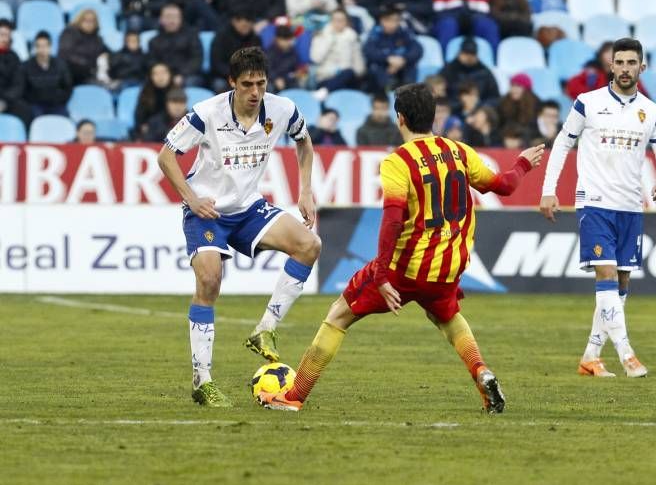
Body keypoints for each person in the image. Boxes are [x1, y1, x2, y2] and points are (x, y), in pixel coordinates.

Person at [256, 82, 545, 412]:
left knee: (338, 315)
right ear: (434, 117)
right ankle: (482, 372)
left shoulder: (398, 162)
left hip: (405, 268)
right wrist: (522, 163)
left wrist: (381, 275)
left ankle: (293, 398)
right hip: (447, 267)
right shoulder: (459, 151)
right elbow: (504, 185)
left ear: (400, 118)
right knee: (448, 319)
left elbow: (392, 221)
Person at [157, 46, 320, 407]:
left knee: (309, 245)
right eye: (247, 84)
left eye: (261, 84)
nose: (255, 92)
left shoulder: (282, 109)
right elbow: (166, 156)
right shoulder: (206, 113)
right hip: (207, 212)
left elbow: (304, 142)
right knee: (210, 280)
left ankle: (265, 331)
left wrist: (306, 189)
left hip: (248, 209)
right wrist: (191, 198)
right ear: (232, 83)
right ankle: (203, 380)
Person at [539, 38, 656, 379]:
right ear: (610, 66)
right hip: (595, 202)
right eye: (620, 62)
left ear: (642, 67)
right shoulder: (588, 103)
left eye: (632, 63)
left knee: (621, 284)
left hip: (630, 205)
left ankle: (590, 357)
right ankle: (627, 355)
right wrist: (548, 190)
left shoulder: (651, 111)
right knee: (607, 276)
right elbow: (561, 145)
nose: (625, 68)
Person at [11, 30, 73, 121]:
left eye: (44, 46)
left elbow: (68, 87)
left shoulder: (60, 65)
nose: (41, 49)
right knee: (34, 119)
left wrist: (57, 98)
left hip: (56, 104)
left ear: (50, 47)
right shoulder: (25, 66)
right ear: (34, 48)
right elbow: (21, 89)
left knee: (64, 120)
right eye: (38, 46)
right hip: (35, 105)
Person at [363, 5, 422, 92]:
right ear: (382, 21)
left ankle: (409, 93)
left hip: (402, 65)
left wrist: (403, 59)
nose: (392, 24)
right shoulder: (375, 33)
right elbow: (369, 51)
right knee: (375, 67)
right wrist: (388, 59)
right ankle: (387, 91)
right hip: (383, 68)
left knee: (411, 66)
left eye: (396, 20)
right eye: (388, 20)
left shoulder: (404, 32)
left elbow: (417, 49)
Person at [310, 8, 365, 99]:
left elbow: (358, 62)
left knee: (349, 72)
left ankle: (325, 91)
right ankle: (325, 90)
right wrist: (329, 40)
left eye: (341, 20)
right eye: (336, 20)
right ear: (331, 21)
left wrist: (359, 73)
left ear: (346, 22)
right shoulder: (321, 35)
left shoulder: (352, 37)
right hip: (325, 77)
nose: (338, 23)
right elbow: (316, 58)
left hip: (347, 77)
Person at [147, 4, 204, 88]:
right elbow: (152, 62)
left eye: (175, 17)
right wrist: (163, 75)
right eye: (168, 17)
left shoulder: (192, 37)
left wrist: (182, 75)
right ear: (161, 19)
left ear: (181, 19)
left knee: (190, 82)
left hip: (187, 75)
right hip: (163, 76)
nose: (171, 20)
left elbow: (196, 59)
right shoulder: (154, 41)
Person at [210, 9, 261, 93]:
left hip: (249, 76)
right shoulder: (221, 37)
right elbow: (216, 64)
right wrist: (236, 74)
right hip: (225, 77)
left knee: (265, 85)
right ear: (234, 22)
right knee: (219, 85)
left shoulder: (255, 38)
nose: (246, 28)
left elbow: (259, 61)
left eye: (249, 25)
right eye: (244, 26)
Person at [440, 37, 499, 107]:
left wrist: (479, 106)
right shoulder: (448, 70)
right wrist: (460, 105)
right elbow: (440, 94)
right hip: (453, 110)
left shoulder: (484, 72)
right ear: (459, 53)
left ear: (476, 55)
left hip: (479, 111)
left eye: (472, 54)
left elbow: (495, 97)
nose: (469, 57)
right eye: (466, 53)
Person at [57, 8, 110, 85]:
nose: (89, 23)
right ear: (79, 20)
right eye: (85, 20)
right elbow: (65, 54)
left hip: (90, 74)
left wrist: (106, 56)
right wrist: (88, 66)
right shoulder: (70, 33)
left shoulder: (98, 39)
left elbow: (108, 53)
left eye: (92, 21)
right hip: (71, 75)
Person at [265, 25, 307, 92]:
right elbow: (267, 69)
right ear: (277, 39)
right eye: (285, 39)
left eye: (289, 39)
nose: (288, 42)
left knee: (299, 88)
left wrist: (299, 72)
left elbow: (295, 67)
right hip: (273, 81)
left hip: (288, 80)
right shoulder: (270, 52)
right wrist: (276, 79)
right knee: (269, 88)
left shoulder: (292, 51)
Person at [135, 62, 175, 132]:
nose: (160, 77)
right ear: (151, 77)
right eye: (156, 74)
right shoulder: (145, 93)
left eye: (163, 72)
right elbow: (140, 117)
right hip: (151, 131)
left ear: (170, 74)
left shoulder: (177, 91)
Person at [0, 19, 21, 118]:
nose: (5, 39)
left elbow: (18, 85)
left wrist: (4, 101)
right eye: (2, 35)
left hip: (7, 101)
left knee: (24, 110)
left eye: (7, 35)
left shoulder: (14, 57)